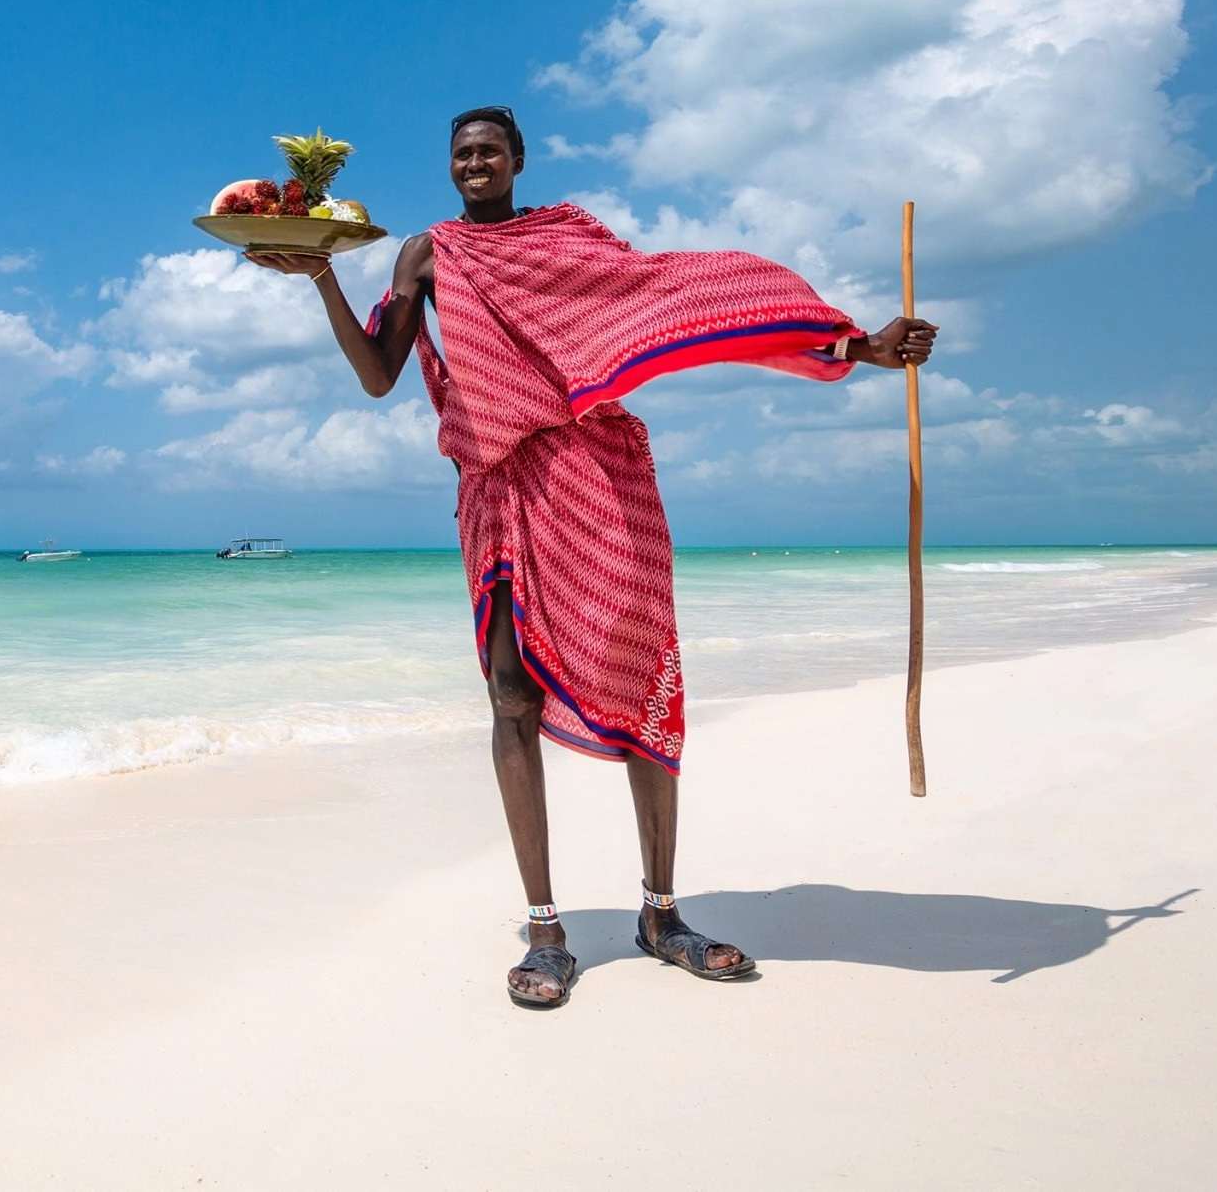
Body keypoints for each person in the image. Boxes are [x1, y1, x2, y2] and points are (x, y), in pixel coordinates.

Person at [248, 106, 936, 1010]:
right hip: (497, 482)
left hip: (600, 475)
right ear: (449, 167)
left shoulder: (568, 238)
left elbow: (679, 299)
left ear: (519, 160)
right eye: (461, 153)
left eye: (490, 149)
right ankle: (544, 926)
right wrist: (324, 277)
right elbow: (379, 374)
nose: (475, 162)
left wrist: (851, 345)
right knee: (510, 695)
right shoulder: (424, 253)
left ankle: (662, 913)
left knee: (644, 670)